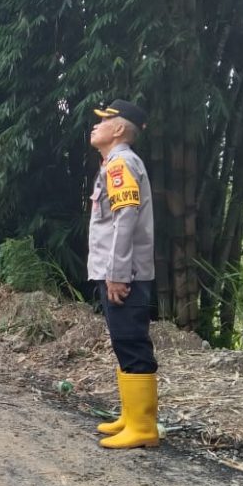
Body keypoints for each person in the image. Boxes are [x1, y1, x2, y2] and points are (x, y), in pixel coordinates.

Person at [87, 99, 160, 449]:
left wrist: (117, 274)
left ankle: (143, 427)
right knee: (123, 339)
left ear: (118, 129)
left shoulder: (120, 164)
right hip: (119, 269)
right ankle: (131, 417)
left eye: (103, 121)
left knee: (131, 340)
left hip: (124, 272)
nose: (95, 126)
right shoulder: (115, 163)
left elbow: (125, 218)